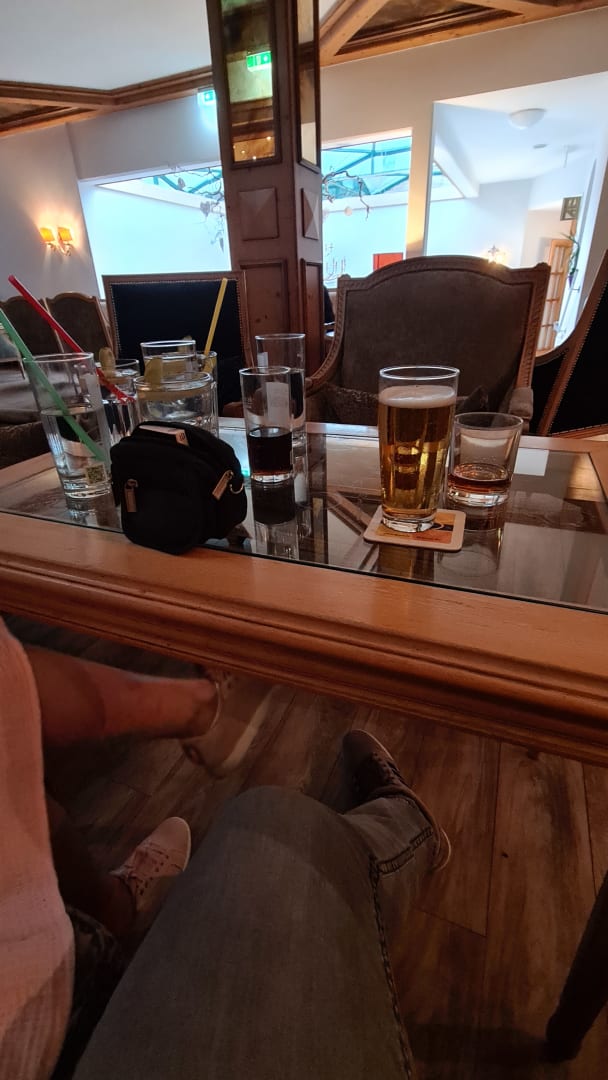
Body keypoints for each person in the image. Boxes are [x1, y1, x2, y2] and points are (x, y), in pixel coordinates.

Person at [1, 617, 449, 1079]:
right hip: (41, 1023)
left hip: (42, 957)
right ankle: (409, 821)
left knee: (17, 793)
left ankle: (112, 906)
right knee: (272, 829)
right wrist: (196, 707)